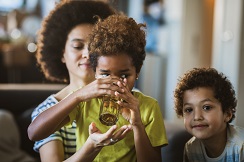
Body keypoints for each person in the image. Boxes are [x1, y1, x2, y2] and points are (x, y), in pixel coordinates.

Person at [28, 14, 168, 162]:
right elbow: (34, 133)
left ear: (137, 72)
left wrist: (137, 124)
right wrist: (78, 95)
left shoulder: (148, 107)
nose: (114, 83)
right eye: (105, 74)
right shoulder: (84, 102)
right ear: (95, 72)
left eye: (124, 75)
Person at [30, 0, 119, 161]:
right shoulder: (48, 110)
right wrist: (80, 95)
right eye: (78, 46)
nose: (87, 53)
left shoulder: (120, 99)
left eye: (95, 47)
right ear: (61, 53)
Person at [174, 67, 244, 162]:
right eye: (189, 109)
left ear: (227, 114)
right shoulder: (191, 149)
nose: (197, 117)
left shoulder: (241, 146)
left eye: (207, 107)